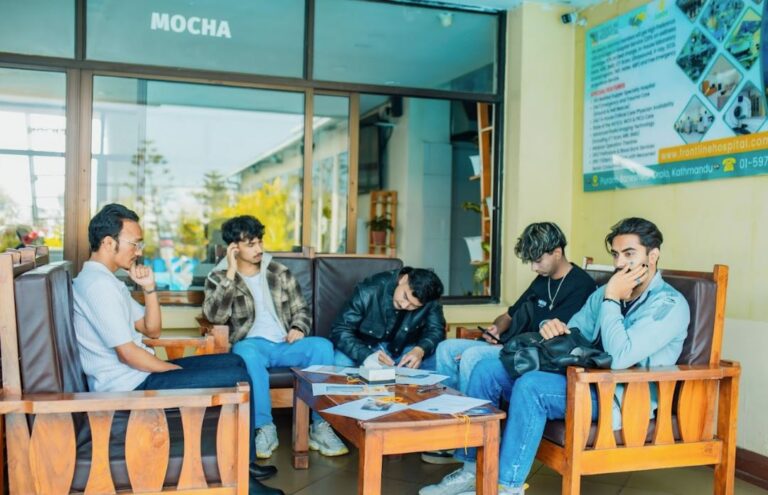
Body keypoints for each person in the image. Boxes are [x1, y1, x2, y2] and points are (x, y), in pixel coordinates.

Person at [420, 217, 690, 495]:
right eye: (616, 254)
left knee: (532, 386)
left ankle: (508, 487)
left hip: (621, 397)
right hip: (582, 379)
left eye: (629, 254)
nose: (620, 264)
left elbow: (620, 357)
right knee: (487, 369)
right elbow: (576, 330)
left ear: (653, 256)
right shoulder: (603, 294)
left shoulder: (668, 304)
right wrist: (555, 327)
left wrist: (612, 298)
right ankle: (471, 470)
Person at [72, 204, 282, 495]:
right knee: (238, 378)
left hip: (139, 375)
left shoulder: (109, 282)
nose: (138, 251)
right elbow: (127, 354)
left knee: (235, 362)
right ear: (109, 242)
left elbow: (152, 330)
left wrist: (149, 288)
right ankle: (244, 479)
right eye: (134, 243)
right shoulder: (97, 285)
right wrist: (173, 370)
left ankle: (243, 464)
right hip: (129, 386)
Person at [423, 222, 596, 465]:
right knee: (447, 349)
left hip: (535, 355)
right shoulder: (542, 279)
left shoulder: (581, 285)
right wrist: (496, 329)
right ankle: (449, 433)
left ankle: (469, 444)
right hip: (512, 346)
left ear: (557, 252)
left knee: (473, 357)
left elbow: (558, 343)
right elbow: (509, 315)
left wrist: (504, 347)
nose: (534, 267)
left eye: (538, 260)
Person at [203, 215, 347, 459]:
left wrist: (299, 327)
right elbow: (215, 316)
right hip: (252, 346)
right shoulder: (217, 277)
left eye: (260, 242)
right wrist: (230, 273)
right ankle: (265, 427)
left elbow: (301, 309)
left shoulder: (278, 272)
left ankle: (320, 426)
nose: (258, 249)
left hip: (285, 344)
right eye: (251, 244)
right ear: (234, 248)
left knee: (323, 346)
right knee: (244, 352)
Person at [330, 266, 446, 370]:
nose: (404, 306)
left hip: (405, 350)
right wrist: (366, 355)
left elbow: (436, 330)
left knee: (440, 358)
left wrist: (420, 350)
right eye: (405, 297)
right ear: (404, 279)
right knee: (340, 361)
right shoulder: (368, 290)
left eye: (414, 306)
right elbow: (340, 329)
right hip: (364, 346)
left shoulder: (430, 299)